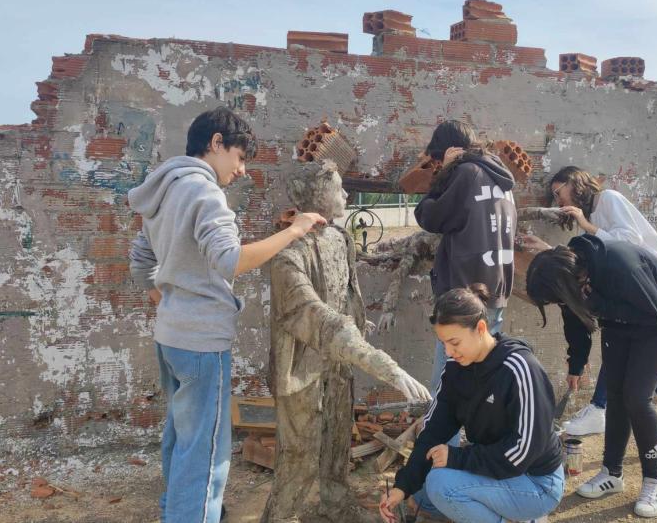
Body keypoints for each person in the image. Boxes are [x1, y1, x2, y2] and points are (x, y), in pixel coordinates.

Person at [128, 106, 327, 523]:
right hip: (201, 342)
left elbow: (140, 262)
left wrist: (168, 303)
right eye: (239, 157)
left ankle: (175, 510)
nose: (240, 170)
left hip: (171, 338)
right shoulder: (203, 193)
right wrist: (295, 230)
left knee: (181, 436)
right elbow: (230, 260)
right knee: (206, 455)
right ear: (216, 143)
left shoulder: (162, 190)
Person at [262, 160, 431, 522]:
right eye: (338, 187)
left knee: (337, 442)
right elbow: (315, 316)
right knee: (300, 455)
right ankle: (281, 516)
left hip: (339, 363)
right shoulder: (288, 257)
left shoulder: (340, 239)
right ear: (315, 195)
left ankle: (336, 503)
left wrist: (358, 320)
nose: (345, 193)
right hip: (302, 369)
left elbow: (347, 294)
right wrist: (382, 365)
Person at [525, 235, 657, 518]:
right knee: (615, 395)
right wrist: (576, 363)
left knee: (636, 397)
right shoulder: (570, 280)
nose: (558, 303)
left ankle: (653, 479)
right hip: (619, 324)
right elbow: (575, 320)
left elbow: (653, 311)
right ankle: (612, 473)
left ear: (564, 283)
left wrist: (596, 305)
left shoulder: (618, 264)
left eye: (556, 298)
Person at [544, 165, 657, 457]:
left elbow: (630, 243)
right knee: (619, 353)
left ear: (574, 183)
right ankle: (600, 409)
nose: (559, 200)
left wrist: (587, 227)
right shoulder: (594, 211)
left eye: (558, 192)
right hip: (626, 287)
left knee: (642, 373)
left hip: (643, 287)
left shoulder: (608, 199)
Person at [379, 284, 564, 523]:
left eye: (454, 342)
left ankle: (524, 517)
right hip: (498, 469)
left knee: (441, 485)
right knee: (422, 496)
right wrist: (401, 487)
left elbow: (525, 450)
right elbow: (433, 431)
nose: (448, 351)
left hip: (535, 480)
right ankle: (505, 512)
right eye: (443, 343)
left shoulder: (519, 368)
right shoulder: (456, 368)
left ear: (480, 328)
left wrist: (457, 459)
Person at [414, 120, 517, 427]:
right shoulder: (500, 178)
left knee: (447, 381)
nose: (436, 164)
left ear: (449, 151)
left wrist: (444, 172)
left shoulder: (465, 173)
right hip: (495, 290)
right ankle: (481, 438)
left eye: (438, 158)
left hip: (463, 294)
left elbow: (429, 215)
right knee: (483, 374)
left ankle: (441, 455)